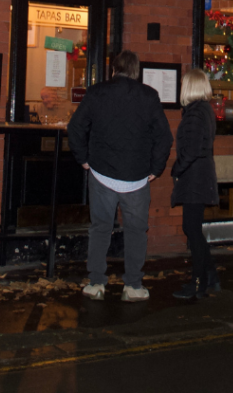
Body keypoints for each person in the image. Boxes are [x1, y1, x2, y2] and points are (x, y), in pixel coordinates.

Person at [67, 49, 173, 302]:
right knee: (136, 231)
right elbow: (164, 137)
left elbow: (76, 127)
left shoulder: (96, 93)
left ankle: (96, 283)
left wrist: (83, 159)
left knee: (100, 229)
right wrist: (155, 170)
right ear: (136, 73)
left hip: (102, 174)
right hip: (137, 178)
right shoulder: (149, 96)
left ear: (113, 69)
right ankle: (133, 286)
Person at [170, 68, 221, 300]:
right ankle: (209, 275)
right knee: (193, 229)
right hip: (201, 175)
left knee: (191, 229)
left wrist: (176, 169)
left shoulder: (194, 113)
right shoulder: (204, 110)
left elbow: (190, 150)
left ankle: (198, 282)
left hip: (194, 177)